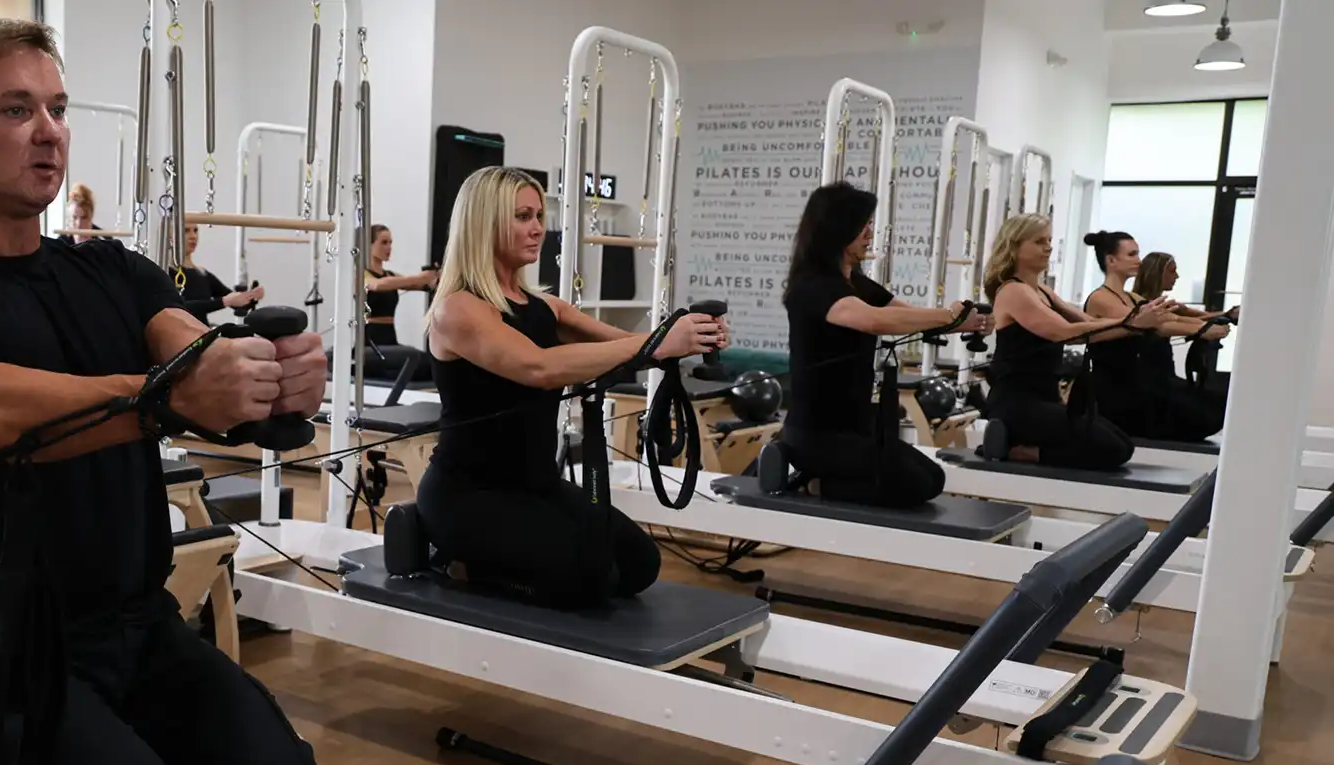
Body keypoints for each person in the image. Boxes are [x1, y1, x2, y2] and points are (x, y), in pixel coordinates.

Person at [0, 19, 323, 765]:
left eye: (58, 110)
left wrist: (268, 378)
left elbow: (193, 354)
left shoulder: (113, 271)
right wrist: (171, 397)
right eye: (17, 110)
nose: (50, 133)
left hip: (141, 630)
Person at [418, 166, 726, 608]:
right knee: (589, 577)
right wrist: (658, 341)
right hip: (468, 496)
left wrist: (691, 335)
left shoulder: (543, 306)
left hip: (537, 486)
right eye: (523, 216)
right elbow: (539, 367)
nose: (538, 228)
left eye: (539, 215)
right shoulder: (459, 310)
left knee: (639, 563)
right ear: (484, 223)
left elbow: (635, 347)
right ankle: (457, 562)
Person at [778, 182, 988, 508]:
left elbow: (901, 313)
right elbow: (872, 320)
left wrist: (957, 321)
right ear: (838, 228)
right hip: (817, 435)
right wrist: (946, 315)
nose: (869, 233)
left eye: (870, 225)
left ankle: (824, 481)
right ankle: (815, 485)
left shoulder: (855, 281)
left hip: (856, 430)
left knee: (933, 479)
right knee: (914, 484)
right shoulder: (813, 287)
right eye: (863, 226)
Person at [983, 215, 1171, 470]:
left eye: (1049, 240)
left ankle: (1026, 444)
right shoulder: (1013, 291)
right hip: (1016, 404)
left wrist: (1135, 322)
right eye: (1039, 241)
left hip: (1047, 398)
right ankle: (1024, 451)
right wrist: (1132, 323)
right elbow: (1068, 333)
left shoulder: (1043, 291)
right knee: (1112, 449)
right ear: (1015, 247)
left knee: (1123, 443)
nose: (1048, 247)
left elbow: (1087, 322)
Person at [1080, 235, 1228, 442]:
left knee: (1219, 404)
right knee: (1206, 414)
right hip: (1119, 392)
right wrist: (1203, 330)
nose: (1138, 260)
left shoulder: (1133, 298)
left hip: (1143, 384)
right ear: (1111, 260)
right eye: (1131, 254)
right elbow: (1156, 325)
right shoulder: (1101, 298)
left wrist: (1209, 324)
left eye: (1138, 254)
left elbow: (1172, 317)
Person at [355, 224, 439, 382]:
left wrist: (436, 277)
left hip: (390, 340)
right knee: (418, 361)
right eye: (384, 242)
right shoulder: (360, 275)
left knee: (429, 366)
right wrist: (419, 277)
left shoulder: (390, 275)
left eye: (390, 243)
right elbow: (377, 285)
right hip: (370, 344)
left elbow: (423, 286)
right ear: (369, 244)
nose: (389, 247)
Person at [172, 221, 265, 322]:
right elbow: (179, 307)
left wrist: (251, 296)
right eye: (186, 231)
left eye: (195, 230)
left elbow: (236, 303)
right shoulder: (166, 272)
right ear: (171, 236)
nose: (193, 236)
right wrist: (225, 301)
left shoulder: (202, 274)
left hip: (201, 334)